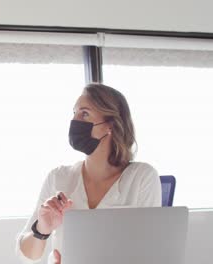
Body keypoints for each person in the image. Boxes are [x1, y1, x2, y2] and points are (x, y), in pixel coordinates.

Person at [16, 83, 161, 264]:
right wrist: (42, 230)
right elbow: (26, 255)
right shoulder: (58, 177)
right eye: (74, 113)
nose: (75, 121)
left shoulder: (142, 177)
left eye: (84, 113)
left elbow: (150, 252)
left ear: (111, 125)